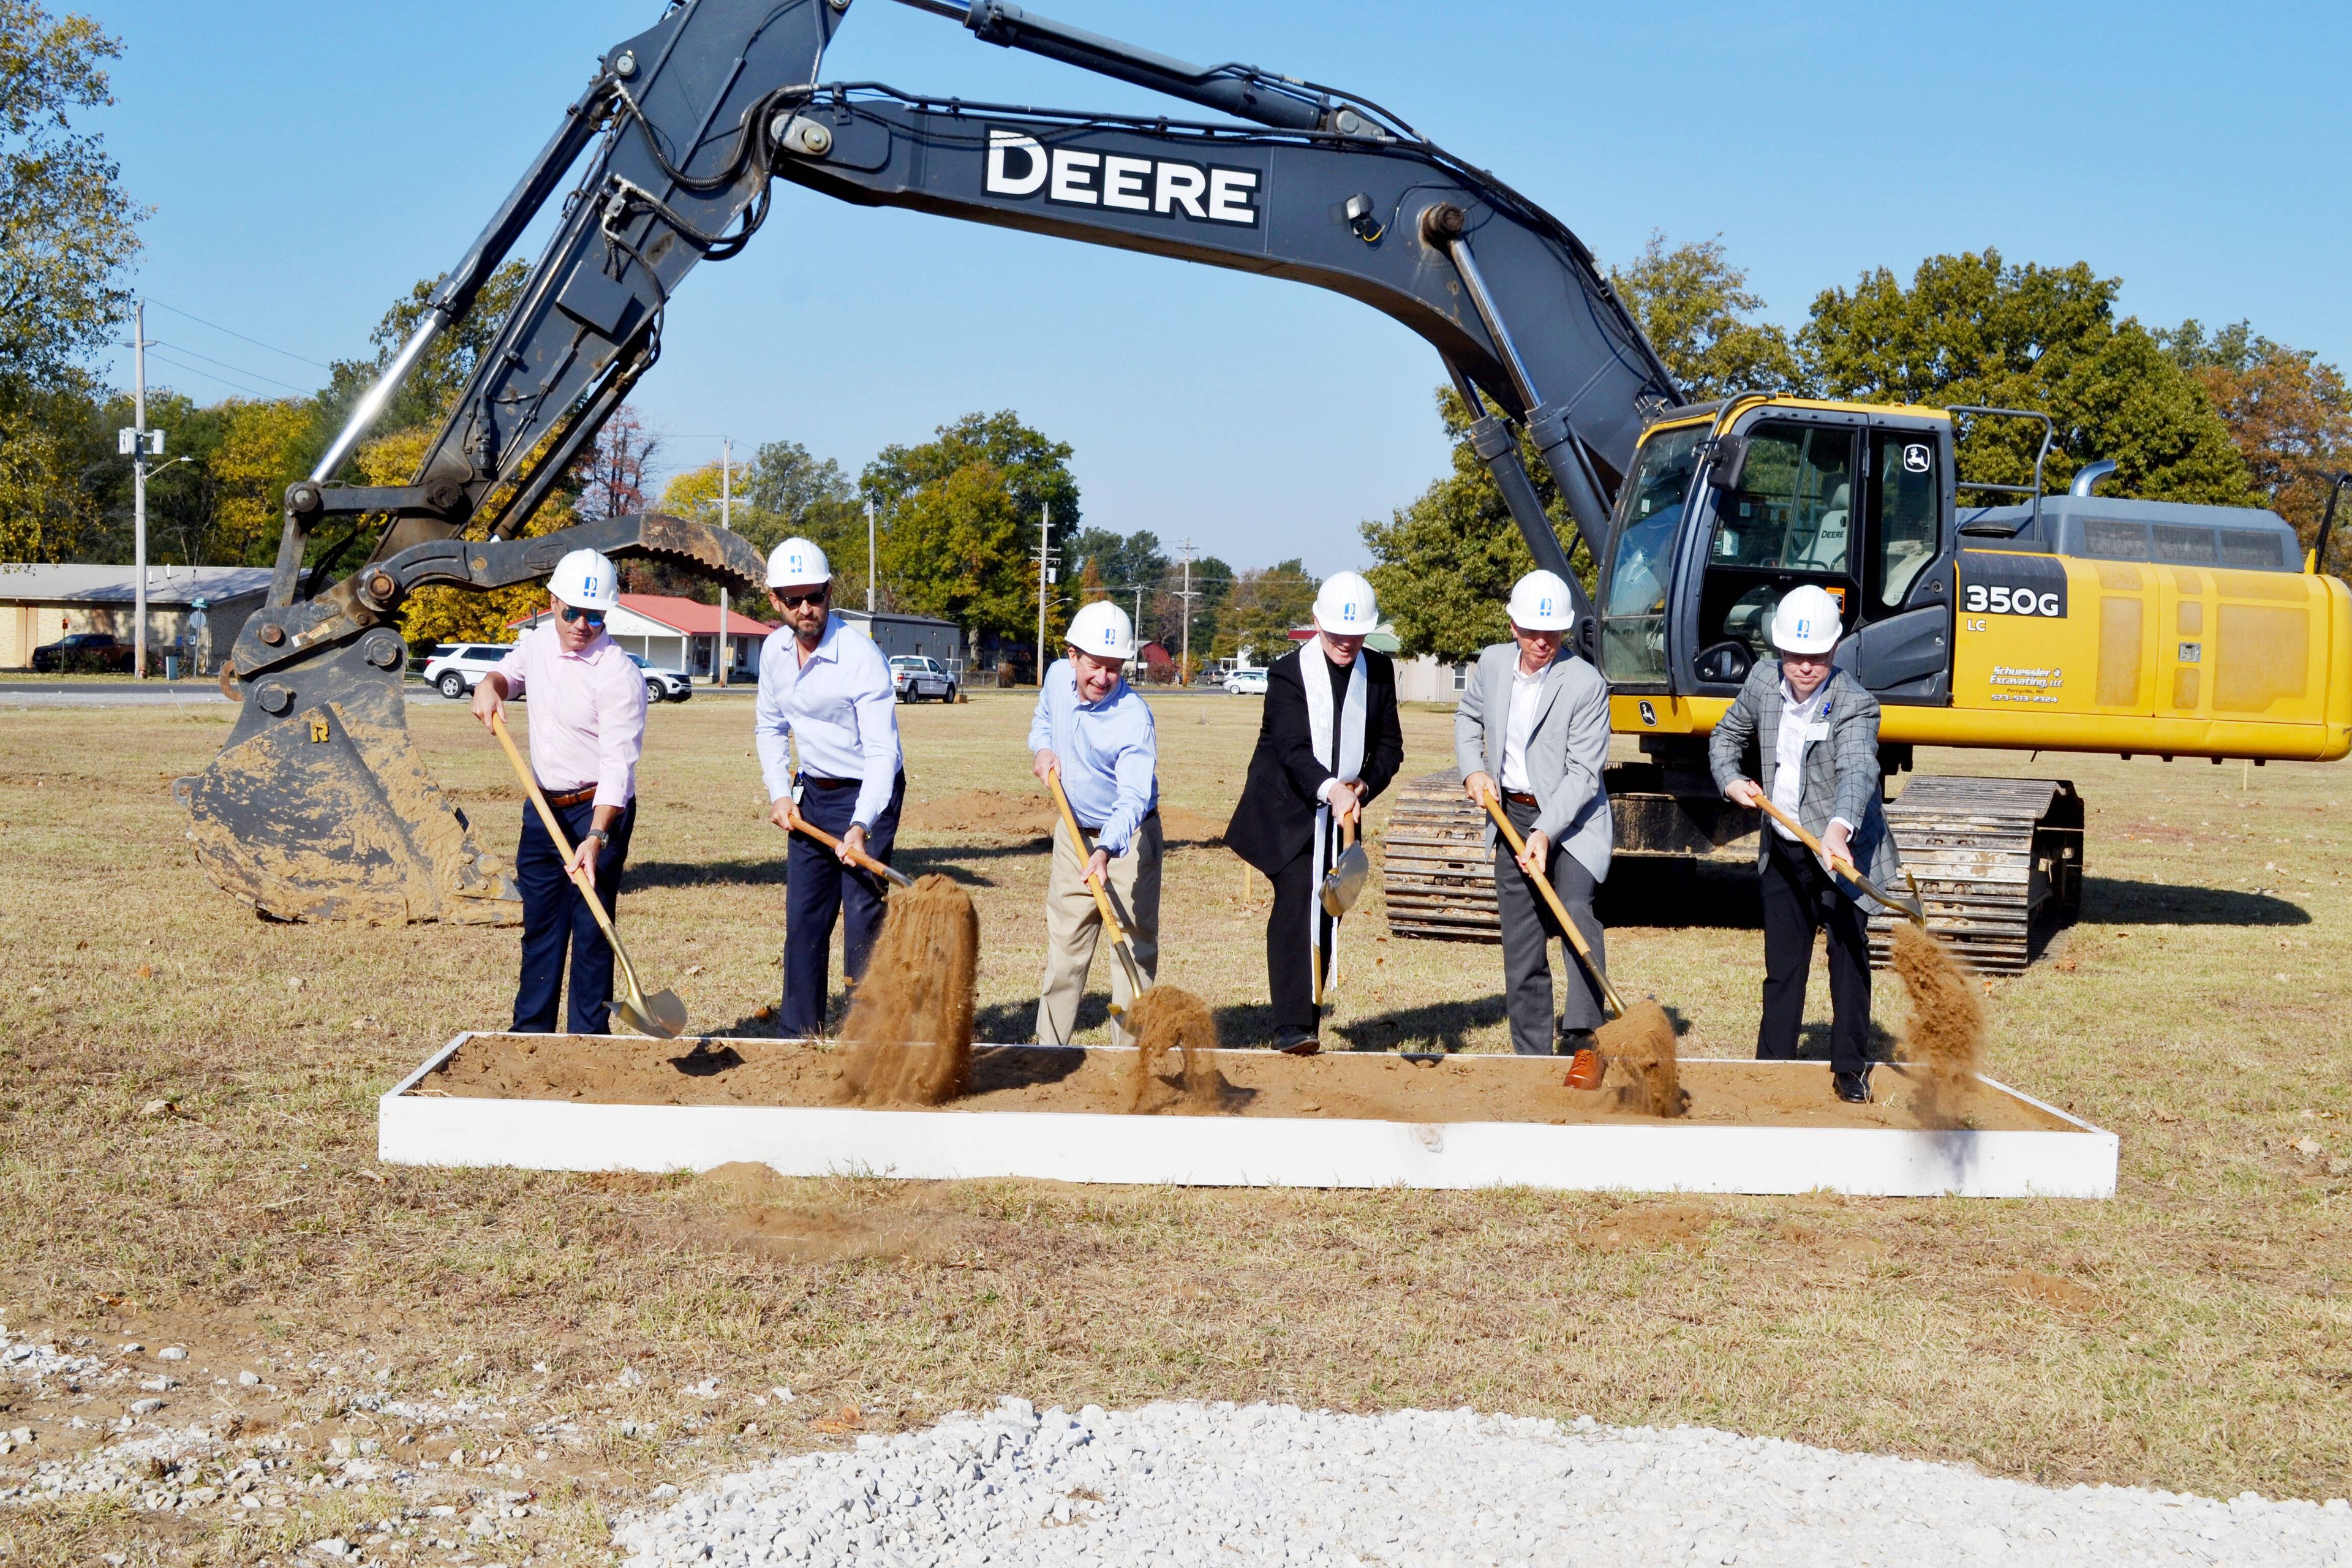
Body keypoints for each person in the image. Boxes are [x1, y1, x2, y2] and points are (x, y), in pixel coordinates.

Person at [1708, 585, 1905, 1103]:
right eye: (1795, 656)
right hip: (1784, 847)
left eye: (1816, 657)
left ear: (1834, 651)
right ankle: (1773, 1066)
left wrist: (1838, 830)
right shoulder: (1761, 681)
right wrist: (1731, 781)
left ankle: (1849, 1067)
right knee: (1784, 964)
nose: (1804, 668)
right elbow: (1725, 737)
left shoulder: (1856, 705)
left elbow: (1858, 772)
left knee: (1847, 955)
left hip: (1843, 849)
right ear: (1779, 651)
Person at [1223, 570, 1404, 1054]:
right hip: (1288, 811)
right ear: (1316, 624)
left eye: (1357, 634)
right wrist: (1330, 789)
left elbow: (1391, 747)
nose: (1347, 642)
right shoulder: (1288, 674)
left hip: (1344, 817)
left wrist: (1363, 785)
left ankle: (1310, 1017)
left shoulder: (1380, 673)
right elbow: (1291, 747)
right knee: (1298, 900)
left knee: (1330, 906)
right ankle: (1292, 1026)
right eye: (1337, 633)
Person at [470, 547, 648, 1035]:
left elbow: (619, 766)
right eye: (572, 612)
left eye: (595, 615)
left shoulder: (618, 675)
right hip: (542, 806)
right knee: (542, 928)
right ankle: (531, 1036)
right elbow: (508, 674)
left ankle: (589, 1039)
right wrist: (490, 684)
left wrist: (596, 838)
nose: (582, 625)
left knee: (592, 931)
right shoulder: (538, 644)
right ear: (552, 603)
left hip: (597, 811)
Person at [1455, 569, 1614, 1073]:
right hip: (1509, 815)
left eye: (1552, 633)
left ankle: (1584, 1043)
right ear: (1513, 626)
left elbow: (1583, 774)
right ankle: (1531, 1058)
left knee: (1573, 912)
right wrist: (1474, 770)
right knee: (1521, 941)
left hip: (1573, 820)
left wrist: (1545, 832)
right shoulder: (1493, 663)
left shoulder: (1587, 684)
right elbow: (1468, 717)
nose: (1542, 642)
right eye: (1531, 632)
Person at [754, 537, 905, 1038]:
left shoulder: (861, 657)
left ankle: (867, 1038)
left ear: (829, 593)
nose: (805, 610)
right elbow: (770, 727)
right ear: (775, 601)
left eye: (814, 597)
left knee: (862, 915)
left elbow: (883, 753)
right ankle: (798, 1033)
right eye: (793, 600)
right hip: (812, 794)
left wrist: (861, 825)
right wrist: (780, 791)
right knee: (804, 917)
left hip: (869, 793)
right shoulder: (774, 653)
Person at [1030, 600, 1161, 1047]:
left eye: (1114, 667)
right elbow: (1044, 720)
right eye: (1094, 665)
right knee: (1065, 946)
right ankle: (1048, 1051)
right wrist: (1043, 750)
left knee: (1132, 946)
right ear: (1072, 656)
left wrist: (1106, 850)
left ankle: (1129, 1058)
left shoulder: (1133, 718)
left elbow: (1133, 797)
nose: (1103, 678)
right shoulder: (1055, 678)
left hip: (1127, 838)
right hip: (1072, 831)